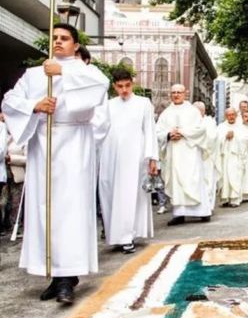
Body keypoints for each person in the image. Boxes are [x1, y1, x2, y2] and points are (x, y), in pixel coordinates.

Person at [2, 23, 109, 303]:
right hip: (43, 145)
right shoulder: (34, 74)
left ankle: (68, 278)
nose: (58, 42)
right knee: (45, 209)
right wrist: (35, 105)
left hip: (74, 144)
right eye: (55, 38)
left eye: (64, 38)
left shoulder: (84, 71)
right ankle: (55, 273)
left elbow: (101, 86)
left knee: (70, 209)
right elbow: (10, 100)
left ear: (75, 45)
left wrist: (62, 72)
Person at [98, 68, 158, 254]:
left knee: (130, 196)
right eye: (120, 86)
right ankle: (116, 236)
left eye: (127, 85)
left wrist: (152, 157)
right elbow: (100, 131)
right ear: (114, 86)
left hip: (135, 156)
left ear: (132, 84)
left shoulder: (143, 103)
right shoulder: (108, 105)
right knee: (110, 194)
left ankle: (128, 236)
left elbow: (149, 130)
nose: (124, 90)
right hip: (111, 155)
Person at [156, 84, 211, 226]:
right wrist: (169, 134)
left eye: (179, 92)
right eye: (173, 92)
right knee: (177, 183)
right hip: (174, 154)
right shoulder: (166, 113)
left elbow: (200, 130)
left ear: (185, 93)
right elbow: (158, 131)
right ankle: (179, 214)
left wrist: (182, 132)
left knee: (194, 180)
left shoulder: (193, 111)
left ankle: (202, 212)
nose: (176, 95)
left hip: (190, 153)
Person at [216, 108, 246, 207]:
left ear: (236, 116)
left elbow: (244, 141)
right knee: (224, 178)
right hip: (224, 157)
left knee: (235, 177)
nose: (231, 117)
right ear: (225, 116)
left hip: (235, 156)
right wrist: (225, 137)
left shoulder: (241, 127)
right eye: (229, 115)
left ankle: (235, 199)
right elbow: (216, 140)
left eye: (233, 114)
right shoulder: (221, 127)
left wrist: (235, 136)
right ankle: (225, 199)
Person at [192, 101, 218, 212]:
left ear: (203, 111)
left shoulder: (209, 122)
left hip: (206, 156)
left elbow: (212, 138)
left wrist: (199, 141)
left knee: (207, 181)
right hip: (193, 157)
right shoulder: (190, 121)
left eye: (198, 111)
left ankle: (208, 207)